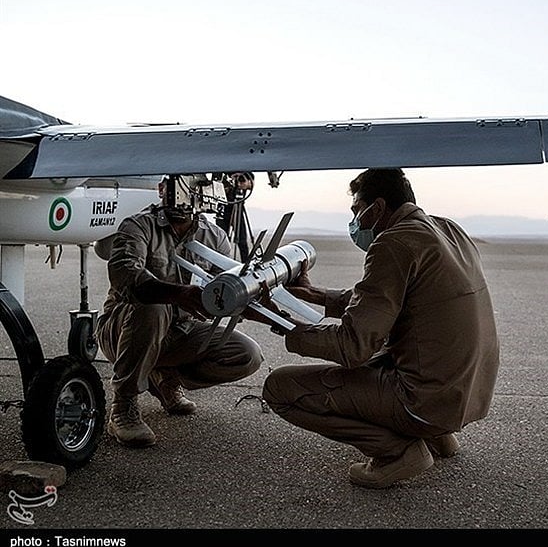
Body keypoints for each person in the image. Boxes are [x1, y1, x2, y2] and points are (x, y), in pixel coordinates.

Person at [261, 167, 500, 489]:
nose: (355, 222)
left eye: (357, 211)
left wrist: (280, 322)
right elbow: (401, 304)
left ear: (376, 208)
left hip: (425, 399)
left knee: (280, 388)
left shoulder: (393, 243)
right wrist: (314, 295)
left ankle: (397, 452)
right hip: (468, 393)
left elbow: (352, 347)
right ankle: (440, 436)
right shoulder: (446, 230)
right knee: (400, 350)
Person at [96, 174, 265, 448]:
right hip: (125, 329)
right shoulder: (138, 226)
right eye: (171, 184)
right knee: (156, 307)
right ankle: (123, 404)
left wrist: (262, 306)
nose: (178, 193)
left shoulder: (214, 236)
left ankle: (166, 378)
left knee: (246, 355)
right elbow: (126, 277)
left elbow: (233, 287)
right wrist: (180, 294)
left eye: (186, 185)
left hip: (180, 331)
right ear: (161, 189)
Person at [216, 171, 254, 261]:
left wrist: (245, 182)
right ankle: (222, 262)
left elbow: (251, 185)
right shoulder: (223, 172)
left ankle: (245, 263)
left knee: (242, 241)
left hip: (238, 207)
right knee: (222, 239)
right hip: (224, 208)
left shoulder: (246, 172)